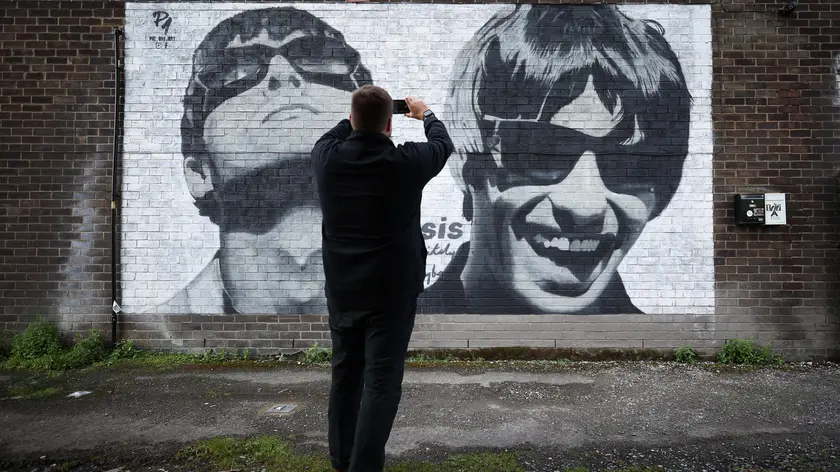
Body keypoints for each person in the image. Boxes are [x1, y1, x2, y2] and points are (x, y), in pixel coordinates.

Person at [419, 4, 692, 316]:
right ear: (470, 166)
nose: (585, 207)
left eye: (630, 166)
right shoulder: (395, 333)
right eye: (540, 152)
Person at [153, 7, 374, 316]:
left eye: (318, 59)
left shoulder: (429, 309)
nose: (282, 74)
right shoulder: (156, 331)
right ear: (199, 173)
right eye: (236, 71)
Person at [311, 86, 454, 472]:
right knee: (381, 381)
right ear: (389, 125)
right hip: (392, 293)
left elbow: (336, 132)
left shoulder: (326, 158)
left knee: (345, 373)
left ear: (352, 119)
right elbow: (442, 144)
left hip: (344, 290)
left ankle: (342, 460)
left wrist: (356, 117)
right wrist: (424, 114)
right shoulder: (405, 162)